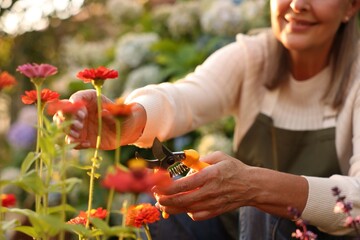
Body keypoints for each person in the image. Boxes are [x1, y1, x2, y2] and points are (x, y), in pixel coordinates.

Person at [63, 0, 360, 239]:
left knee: (262, 210)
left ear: (351, 7)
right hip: (238, 230)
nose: (297, 4)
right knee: (161, 219)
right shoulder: (252, 57)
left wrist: (255, 186)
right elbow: (186, 97)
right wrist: (129, 120)